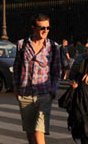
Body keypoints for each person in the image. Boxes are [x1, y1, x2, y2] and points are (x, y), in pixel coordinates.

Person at [13, 13, 61, 144]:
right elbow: (16, 68)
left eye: (48, 28)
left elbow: (56, 72)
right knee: (30, 134)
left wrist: (53, 90)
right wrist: (16, 88)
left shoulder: (53, 46)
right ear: (33, 27)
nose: (45, 31)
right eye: (42, 28)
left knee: (38, 131)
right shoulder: (21, 45)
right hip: (25, 94)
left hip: (44, 94)